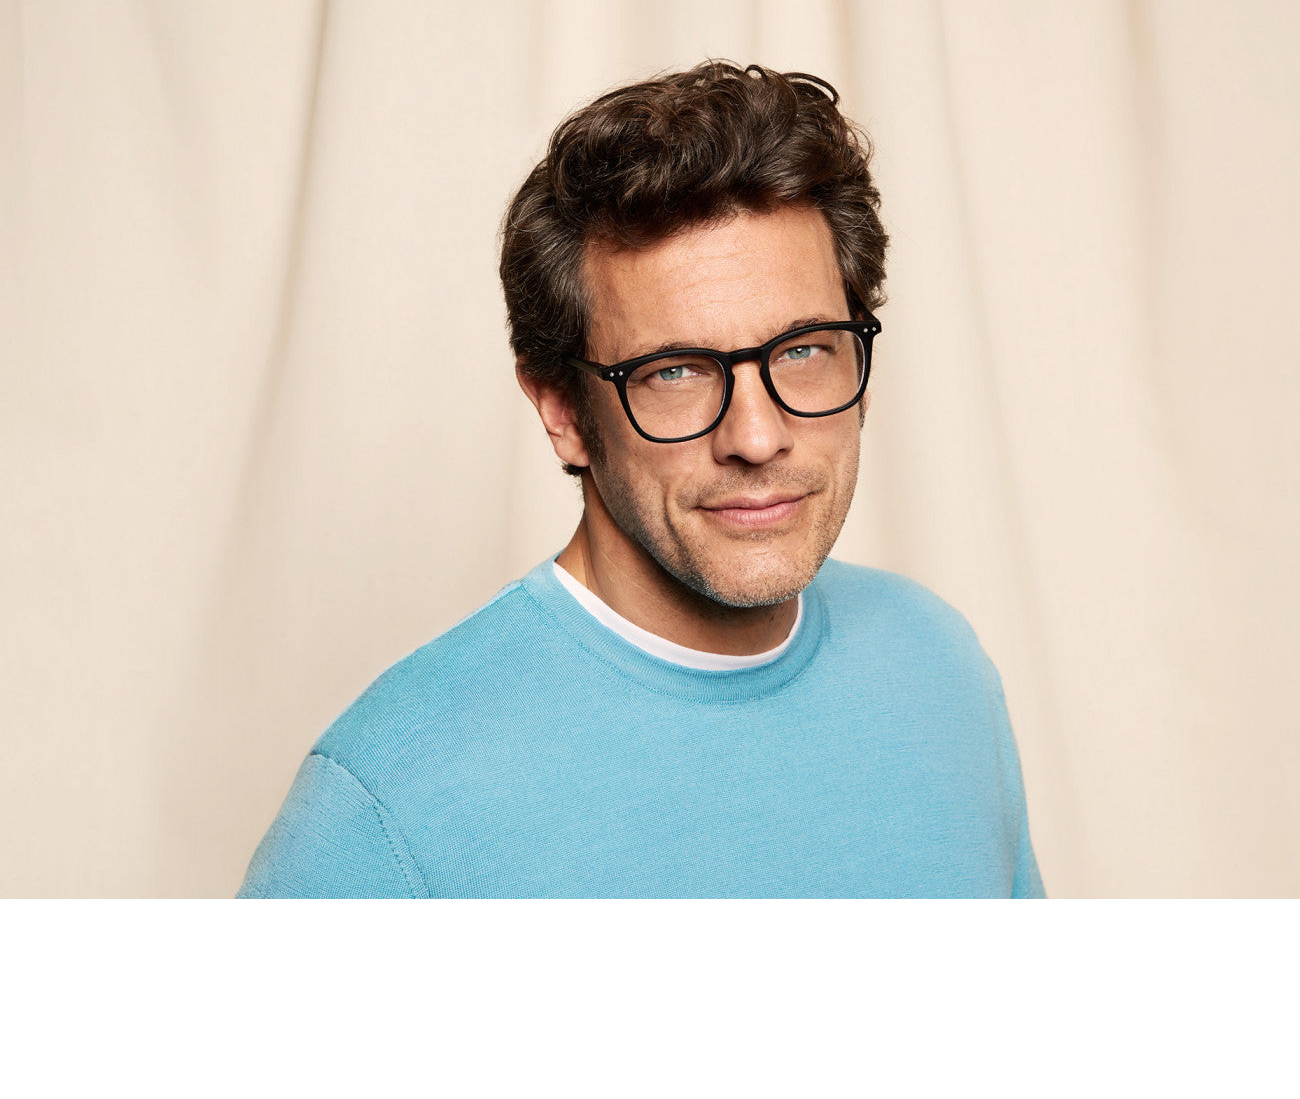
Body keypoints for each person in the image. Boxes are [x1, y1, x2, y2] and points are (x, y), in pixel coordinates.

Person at [237, 61, 1045, 898]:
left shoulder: (939, 668)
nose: (757, 436)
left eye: (803, 350)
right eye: (675, 371)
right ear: (563, 411)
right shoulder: (387, 807)